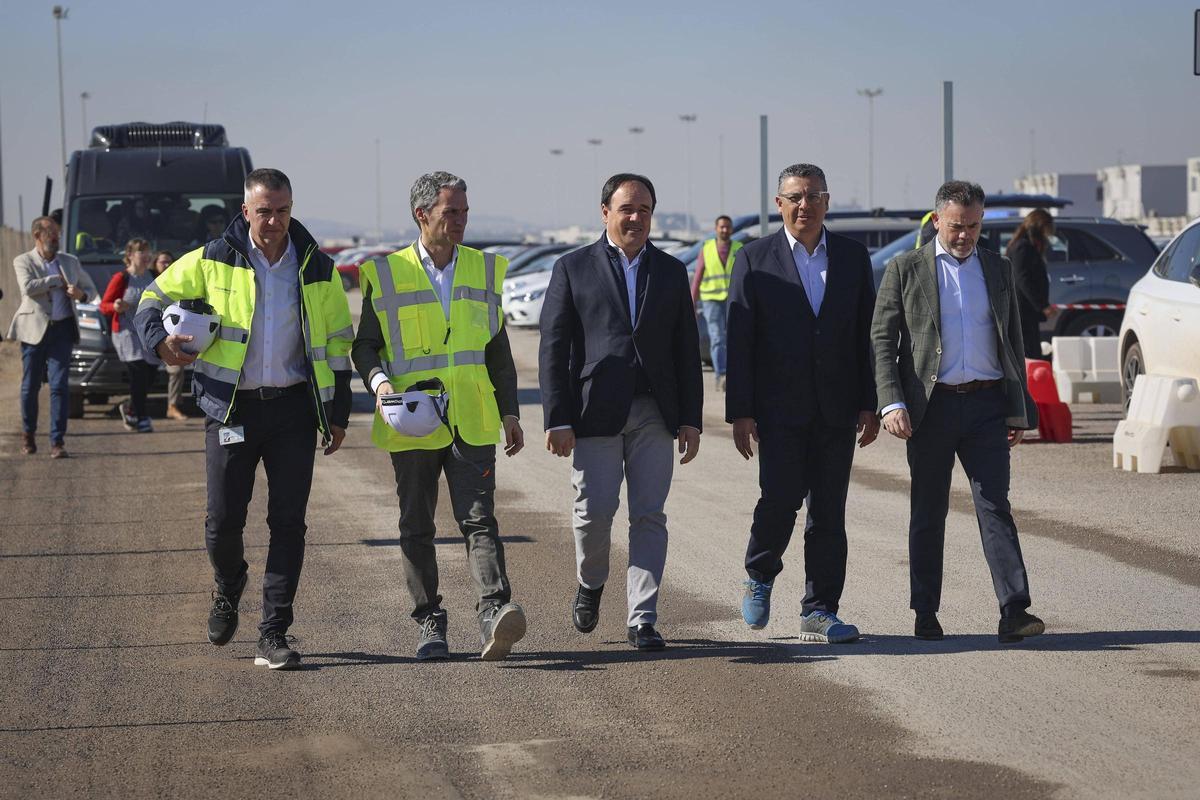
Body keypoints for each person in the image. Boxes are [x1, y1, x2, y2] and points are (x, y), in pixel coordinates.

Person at [135, 168, 354, 670]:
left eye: (282, 210)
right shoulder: (213, 259)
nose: (273, 221)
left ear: (291, 209)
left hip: (294, 411)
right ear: (245, 211)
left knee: (288, 524)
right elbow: (151, 296)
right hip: (230, 409)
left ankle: (273, 632)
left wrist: (337, 413)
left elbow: (338, 345)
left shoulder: (317, 267)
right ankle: (229, 584)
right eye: (264, 211)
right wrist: (160, 342)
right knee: (222, 522)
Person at [352, 172, 527, 662]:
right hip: (411, 417)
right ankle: (430, 619)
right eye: (451, 212)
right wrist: (381, 385)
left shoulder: (484, 269)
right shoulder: (385, 274)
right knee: (415, 525)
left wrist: (510, 410)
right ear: (421, 214)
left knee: (479, 520)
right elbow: (364, 346)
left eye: (465, 211)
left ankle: (495, 611)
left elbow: (497, 350)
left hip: (470, 417)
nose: (460, 221)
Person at [871, 180, 1044, 644]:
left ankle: (1014, 609)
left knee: (995, 509)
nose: (965, 235)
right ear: (935, 222)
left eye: (973, 226)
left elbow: (1013, 340)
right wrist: (891, 401)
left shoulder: (998, 268)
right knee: (929, 512)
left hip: (987, 406)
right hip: (932, 409)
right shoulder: (905, 268)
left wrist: (1016, 409)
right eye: (955, 226)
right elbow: (882, 340)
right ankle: (925, 612)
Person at [539, 172, 703, 651]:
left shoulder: (671, 271)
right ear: (605, 212)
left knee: (649, 514)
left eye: (645, 210)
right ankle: (591, 583)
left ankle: (642, 618)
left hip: (655, 411)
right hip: (594, 413)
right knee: (594, 513)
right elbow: (553, 346)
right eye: (627, 209)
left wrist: (690, 417)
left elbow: (685, 349)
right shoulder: (573, 267)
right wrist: (557, 416)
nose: (636, 217)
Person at [726, 163, 879, 644]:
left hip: (837, 408)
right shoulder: (754, 257)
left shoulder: (854, 258)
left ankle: (820, 609)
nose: (804, 205)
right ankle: (760, 573)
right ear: (779, 204)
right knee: (780, 501)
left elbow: (867, 335)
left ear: (827, 202)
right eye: (794, 197)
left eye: (813, 196)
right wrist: (741, 411)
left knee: (829, 512)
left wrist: (871, 401)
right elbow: (740, 340)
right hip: (779, 409)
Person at [8, 216, 98, 458]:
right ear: (37, 236)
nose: (56, 237)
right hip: (34, 330)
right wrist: (55, 281)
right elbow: (27, 287)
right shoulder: (23, 260)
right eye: (51, 234)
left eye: (57, 233)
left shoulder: (70, 261)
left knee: (59, 385)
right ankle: (28, 433)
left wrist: (80, 294)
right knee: (30, 386)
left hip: (62, 329)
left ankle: (57, 441)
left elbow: (91, 292)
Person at [100, 238, 157, 433]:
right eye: (142, 252)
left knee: (150, 373)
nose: (147, 256)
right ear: (130, 255)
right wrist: (115, 306)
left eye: (148, 252)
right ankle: (142, 417)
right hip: (126, 331)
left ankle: (130, 407)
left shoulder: (152, 275)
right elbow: (104, 305)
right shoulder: (122, 278)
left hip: (147, 331)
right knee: (138, 371)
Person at [691, 215, 741, 391]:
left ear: (732, 229)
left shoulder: (738, 248)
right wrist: (693, 302)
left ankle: (734, 374)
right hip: (711, 300)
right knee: (717, 338)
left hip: (733, 300)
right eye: (721, 227)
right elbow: (697, 278)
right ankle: (721, 375)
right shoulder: (707, 248)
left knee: (734, 338)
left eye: (728, 227)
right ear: (716, 229)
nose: (725, 230)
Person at [1007, 208, 1057, 360]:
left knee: (1031, 350)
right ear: (1039, 227)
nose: (1049, 233)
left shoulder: (1027, 245)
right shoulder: (1023, 247)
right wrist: (1042, 305)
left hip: (1027, 311)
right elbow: (1023, 279)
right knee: (1028, 353)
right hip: (1022, 310)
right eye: (1047, 228)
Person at [152, 250, 187, 419]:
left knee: (176, 369)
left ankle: (172, 406)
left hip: (173, 336)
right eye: (162, 262)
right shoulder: (149, 282)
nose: (166, 265)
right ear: (155, 264)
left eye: (169, 262)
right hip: (150, 336)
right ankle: (133, 406)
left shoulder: (179, 283)